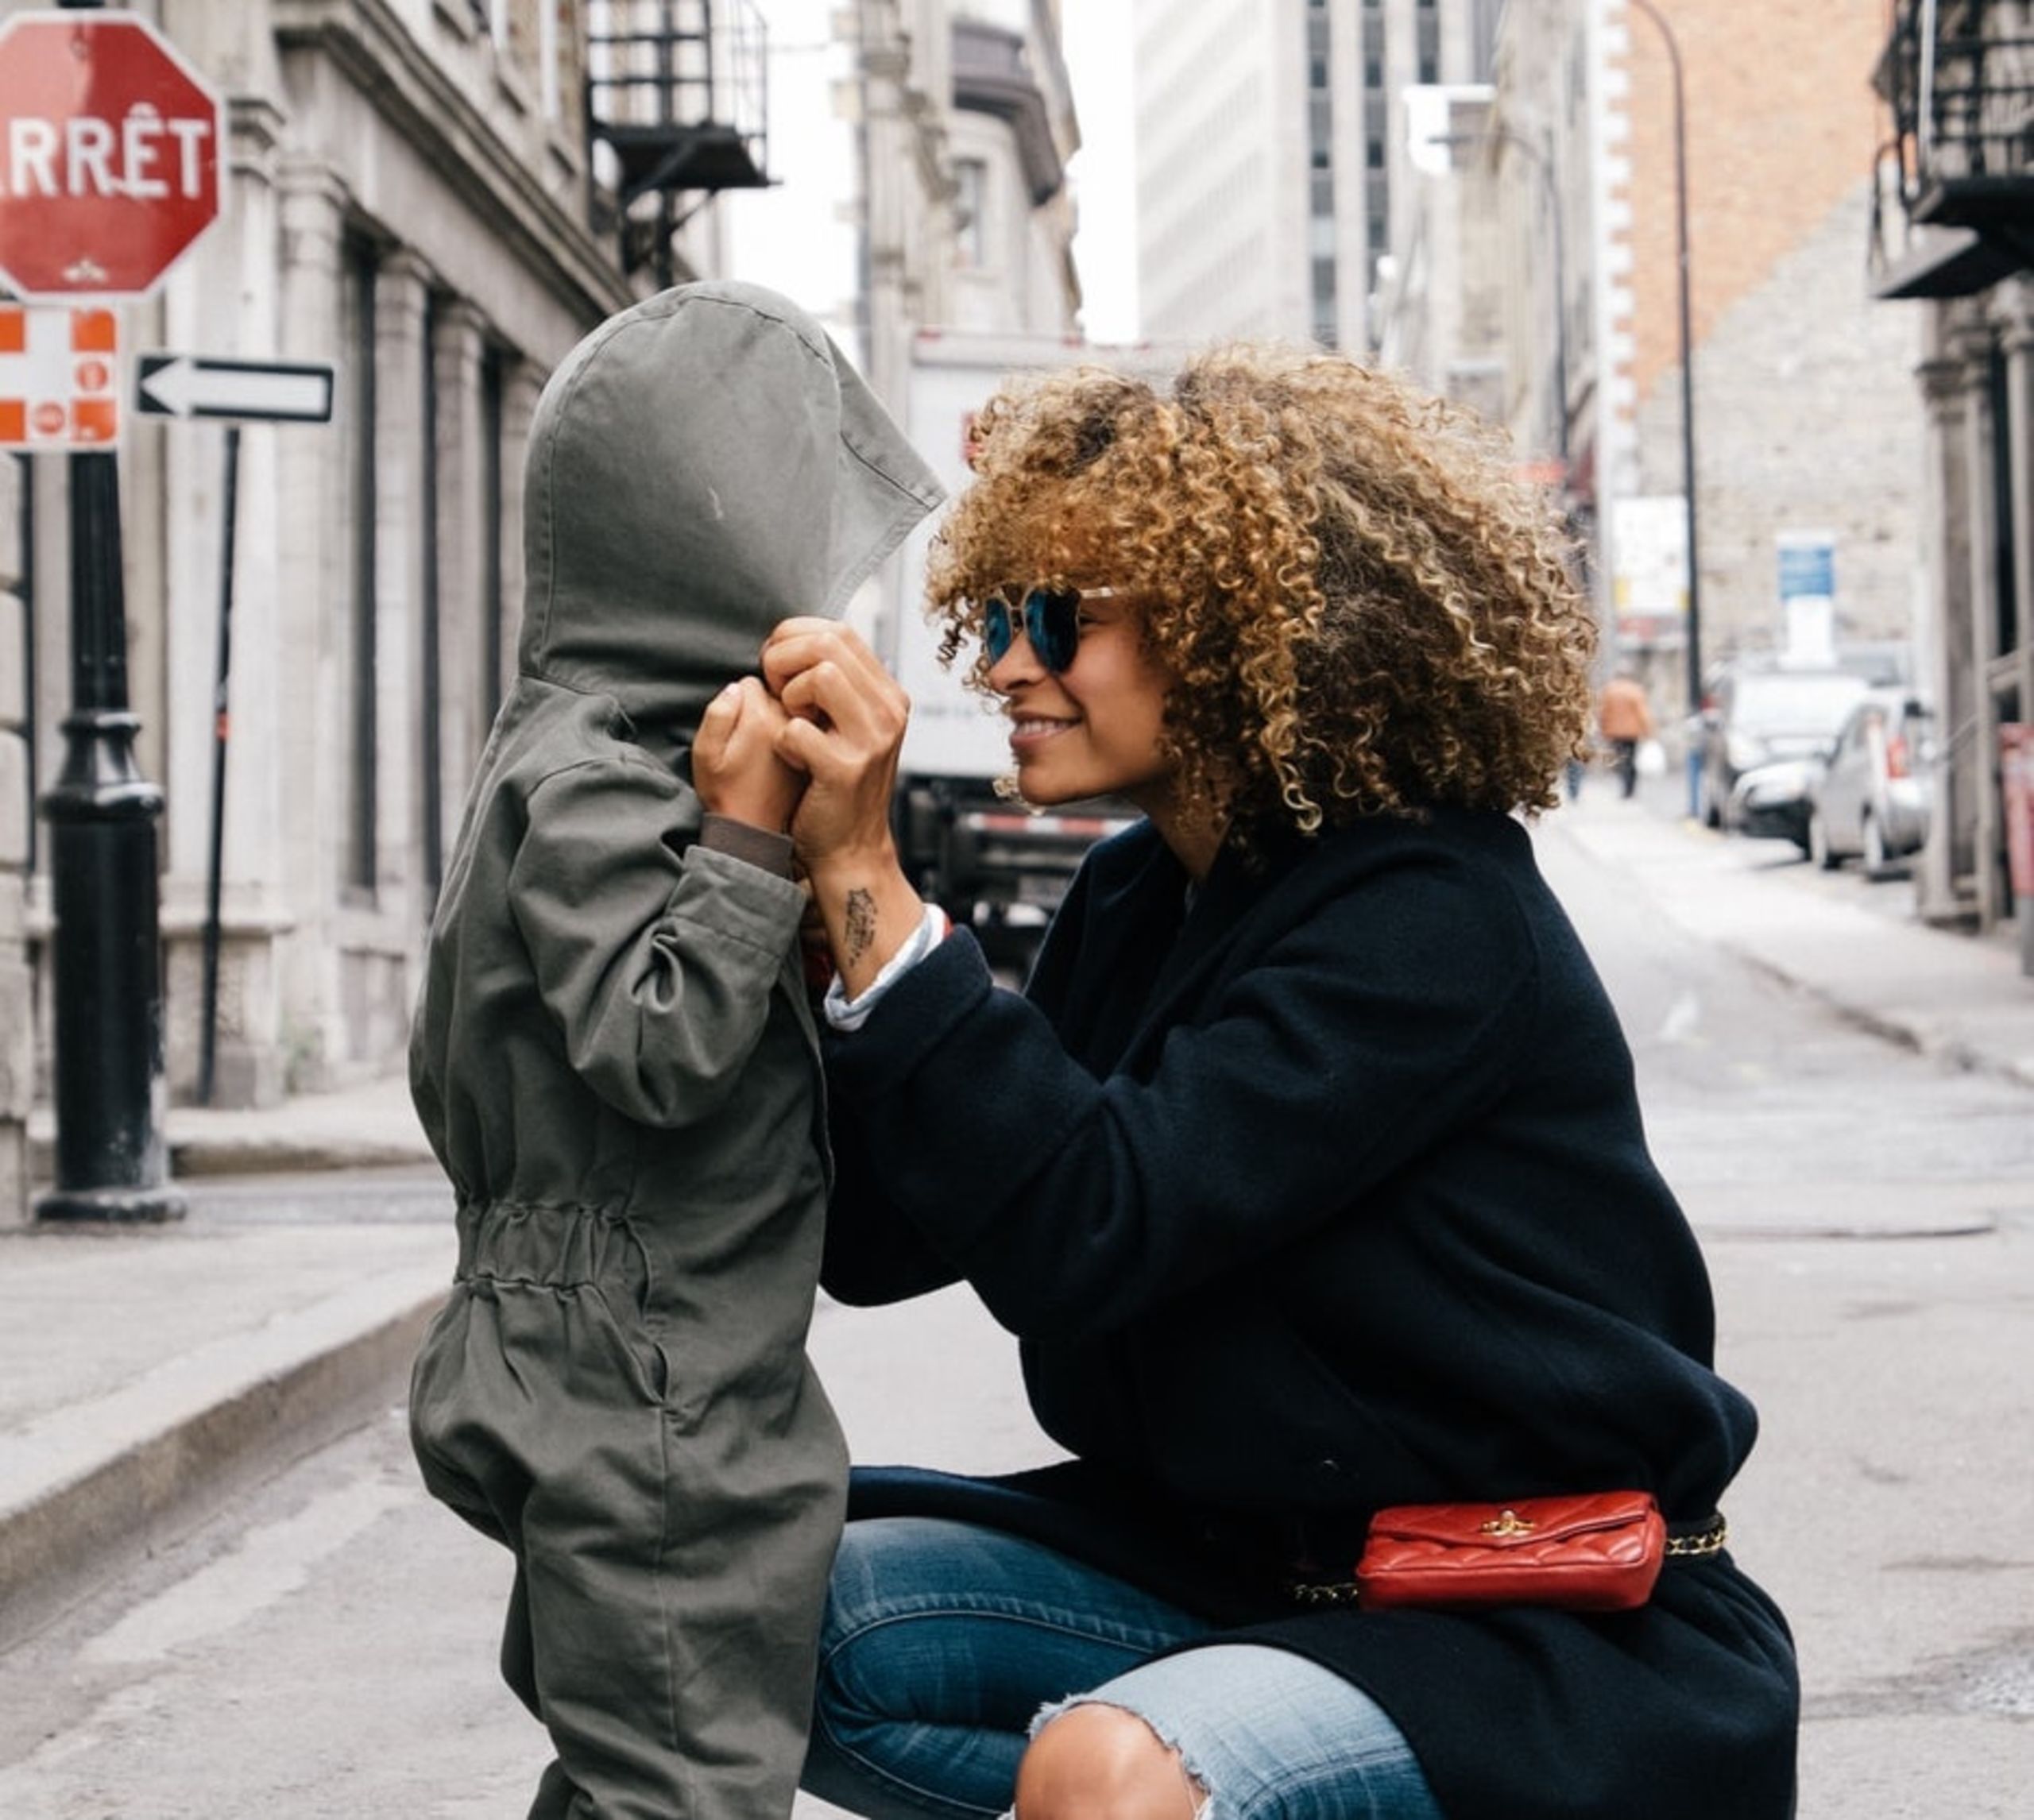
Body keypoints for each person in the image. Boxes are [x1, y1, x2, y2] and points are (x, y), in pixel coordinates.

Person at [760, 344, 1797, 1820]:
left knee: (1110, 1770)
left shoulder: (1430, 917)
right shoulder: (1139, 903)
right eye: (995, 612)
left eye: (1057, 618)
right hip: (1243, 1575)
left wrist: (875, 881)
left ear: (1240, 634)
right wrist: (807, 926)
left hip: (1536, 1619)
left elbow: (1088, 1225)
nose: (1002, 665)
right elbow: (886, 1240)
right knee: (751, 1618)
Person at [404, 280, 942, 1820]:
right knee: (687, 1780)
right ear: (705, 538)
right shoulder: (591, 773)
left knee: (630, 1769)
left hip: (640, 1359)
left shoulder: (600, 745)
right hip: (646, 1385)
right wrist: (744, 840)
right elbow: (659, 1042)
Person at [1598, 664, 1655, 798]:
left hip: (1614, 732)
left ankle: (1624, 786)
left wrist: (1603, 729)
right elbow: (1643, 713)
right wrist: (1648, 730)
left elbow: (1603, 712)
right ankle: (1630, 788)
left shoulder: (1609, 690)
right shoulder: (1635, 690)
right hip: (1632, 732)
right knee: (1631, 759)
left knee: (1620, 759)